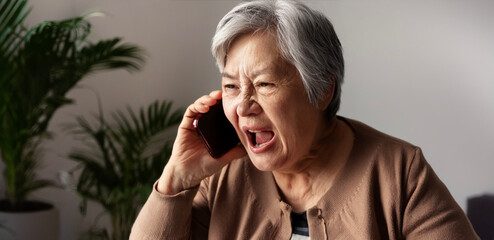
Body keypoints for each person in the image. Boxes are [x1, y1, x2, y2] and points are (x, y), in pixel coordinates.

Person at [130, 0, 479, 239]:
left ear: (323, 90)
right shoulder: (221, 177)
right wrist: (177, 177)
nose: (244, 105)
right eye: (231, 86)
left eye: (264, 83)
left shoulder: (400, 173)